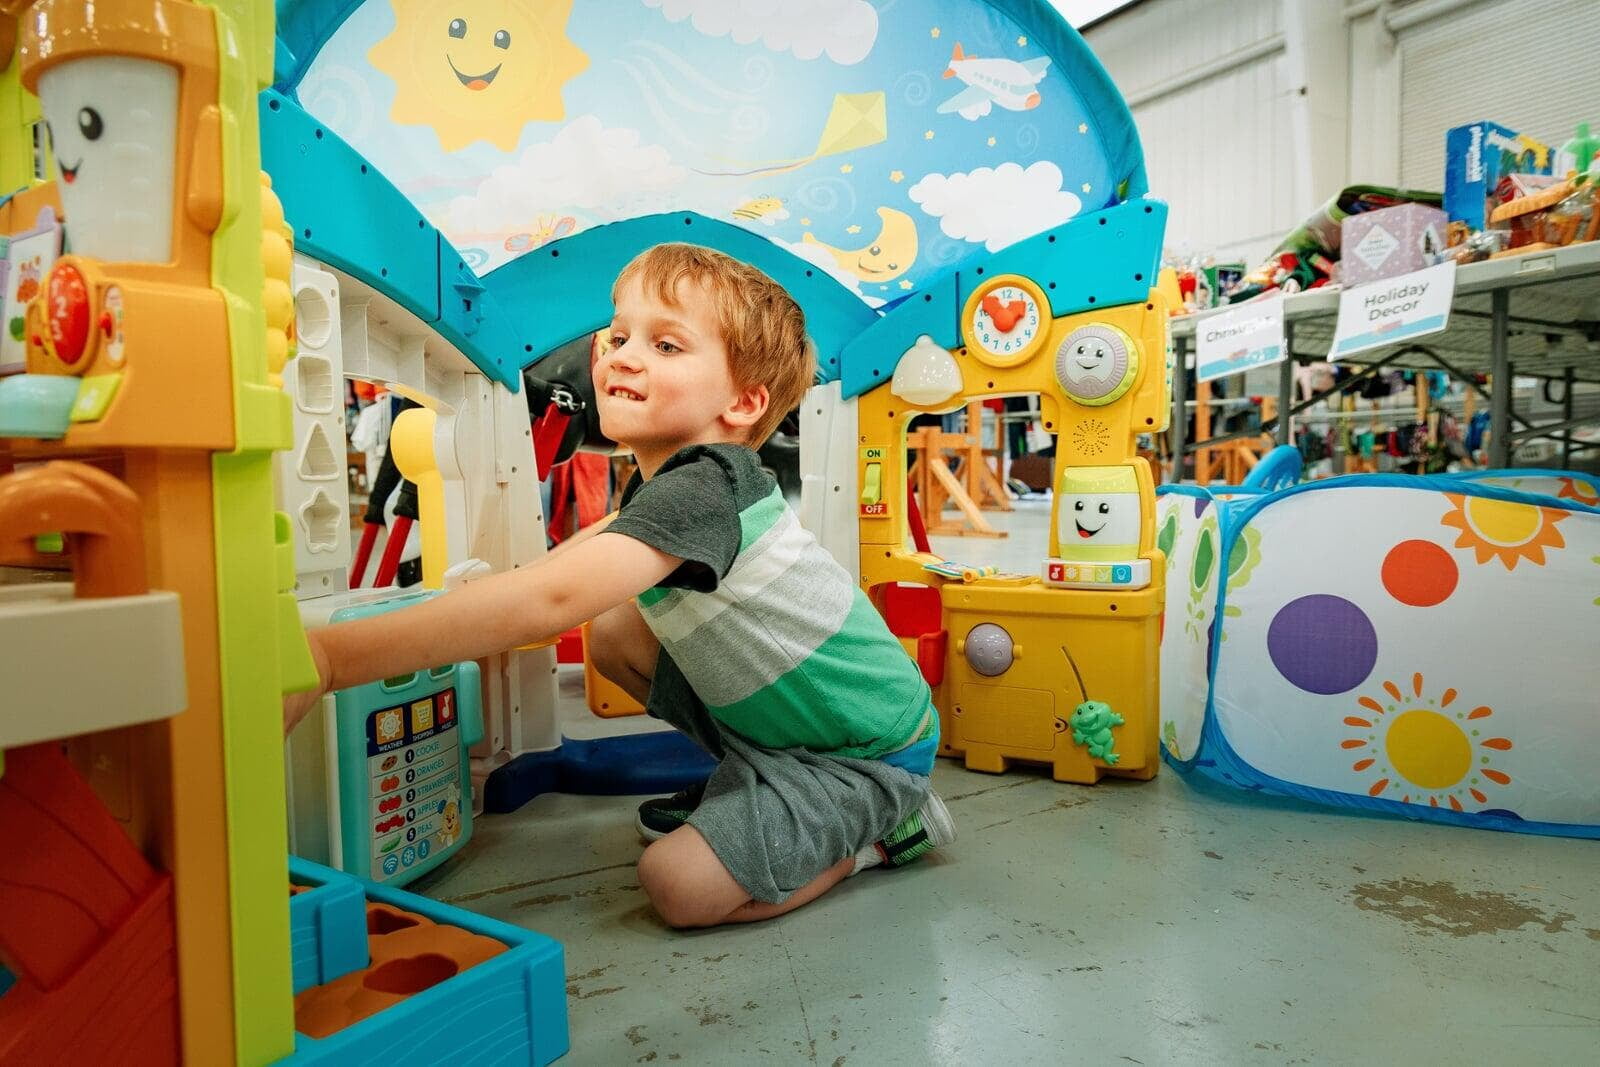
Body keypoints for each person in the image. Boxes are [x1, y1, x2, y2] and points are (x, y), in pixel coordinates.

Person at [285, 243, 953, 927]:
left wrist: (335, 655)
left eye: (666, 345)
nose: (621, 356)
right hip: (794, 729)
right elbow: (570, 565)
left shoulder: (706, 484)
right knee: (614, 634)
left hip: (868, 756)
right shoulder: (663, 483)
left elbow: (552, 597)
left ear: (745, 401)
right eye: (621, 334)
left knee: (678, 883)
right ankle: (758, 781)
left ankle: (878, 836)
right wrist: (495, 592)